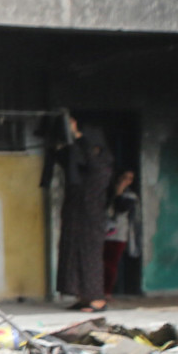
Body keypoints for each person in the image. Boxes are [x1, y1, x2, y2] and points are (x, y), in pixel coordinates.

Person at [55, 116, 115, 311]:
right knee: (72, 256)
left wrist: (79, 136)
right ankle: (83, 297)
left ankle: (96, 299)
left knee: (89, 258)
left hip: (91, 219)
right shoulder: (85, 167)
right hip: (76, 217)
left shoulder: (102, 166)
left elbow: (90, 158)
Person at [104, 169, 139, 298]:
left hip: (118, 234)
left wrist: (119, 191)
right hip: (102, 232)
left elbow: (121, 208)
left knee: (111, 264)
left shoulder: (130, 196)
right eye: (124, 177)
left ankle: (107, 292)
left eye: (129, 179)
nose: (126, 181)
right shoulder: (107, 191)